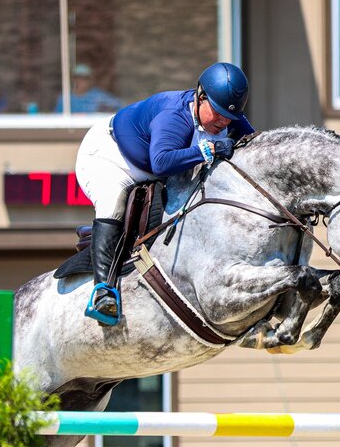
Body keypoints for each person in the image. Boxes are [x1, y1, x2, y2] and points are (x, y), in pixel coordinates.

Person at [74, 61, 256, 325]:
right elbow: (161, 161)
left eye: (230, 117)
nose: (223, 121)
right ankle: (103, 292)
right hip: (111, 157)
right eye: (217, 113)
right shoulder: (175, 115)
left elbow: (253, 142)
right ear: (200, 96)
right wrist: (212, 150)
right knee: (113, 205)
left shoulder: (227, 114)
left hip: (153, 167)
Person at [55, 63, 122, 114]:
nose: (79, 81)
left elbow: (119, 107)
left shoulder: (99, 96)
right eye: (76, 77)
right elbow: (57, 118)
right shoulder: (65, 98)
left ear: (91, 81)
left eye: (84, 78)